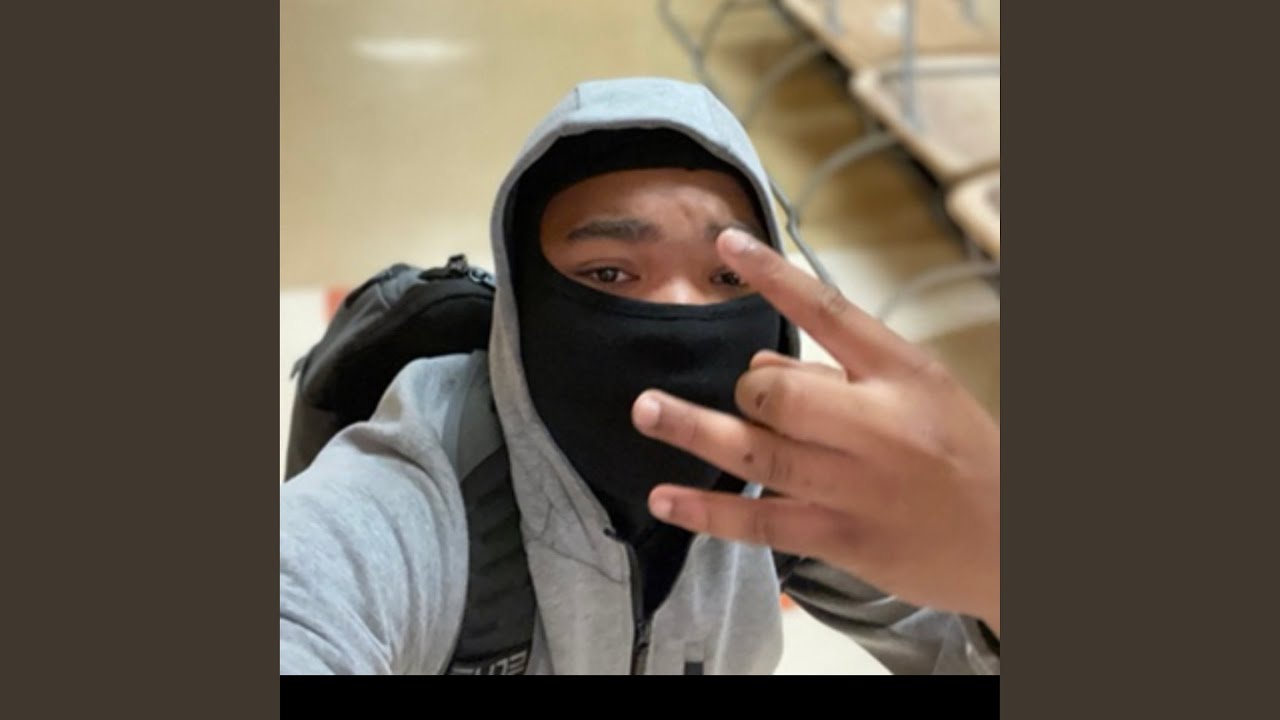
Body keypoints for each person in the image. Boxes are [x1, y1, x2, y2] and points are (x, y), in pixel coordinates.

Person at [279, 76, 1000, 675]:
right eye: (610, 272)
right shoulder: (424, 488)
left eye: (729, 275)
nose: (681, 312)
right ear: (525, 307)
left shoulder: (786, 480)